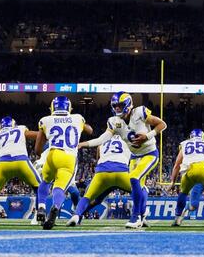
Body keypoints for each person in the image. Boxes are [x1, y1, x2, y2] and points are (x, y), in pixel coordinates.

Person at [78, 91, 166, 229]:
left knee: (134, 178)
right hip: (134, 157)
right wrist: (82, 144)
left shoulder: (140, 113)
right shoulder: (114, 122)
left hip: (149, 154)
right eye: (115, 106)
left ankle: (136, 217)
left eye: (120, 105)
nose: (117, 108)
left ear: (128, 104)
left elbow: (162, 124)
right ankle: (143, 213)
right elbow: (101, 139)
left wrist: (147, 136)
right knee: (138, 186)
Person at [34, 96, 92, 230]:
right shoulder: (78, 118)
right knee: (59, 188)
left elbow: (37, 149)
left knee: (45, 182)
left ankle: (41, 207)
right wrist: (82, 126)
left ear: (52, 108)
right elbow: (90, 130)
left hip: (52, 154)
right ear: (69, 108)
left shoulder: (45, 120)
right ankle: (56, 207)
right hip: (68, 157)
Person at [67, 133, 131, 225]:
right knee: (140, 191)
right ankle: (140, 215)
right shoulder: (127, 139)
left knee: (89, 197)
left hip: (103, 173)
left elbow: (98, 159)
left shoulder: (103, 142)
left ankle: (77, 215)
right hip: (122, 172)